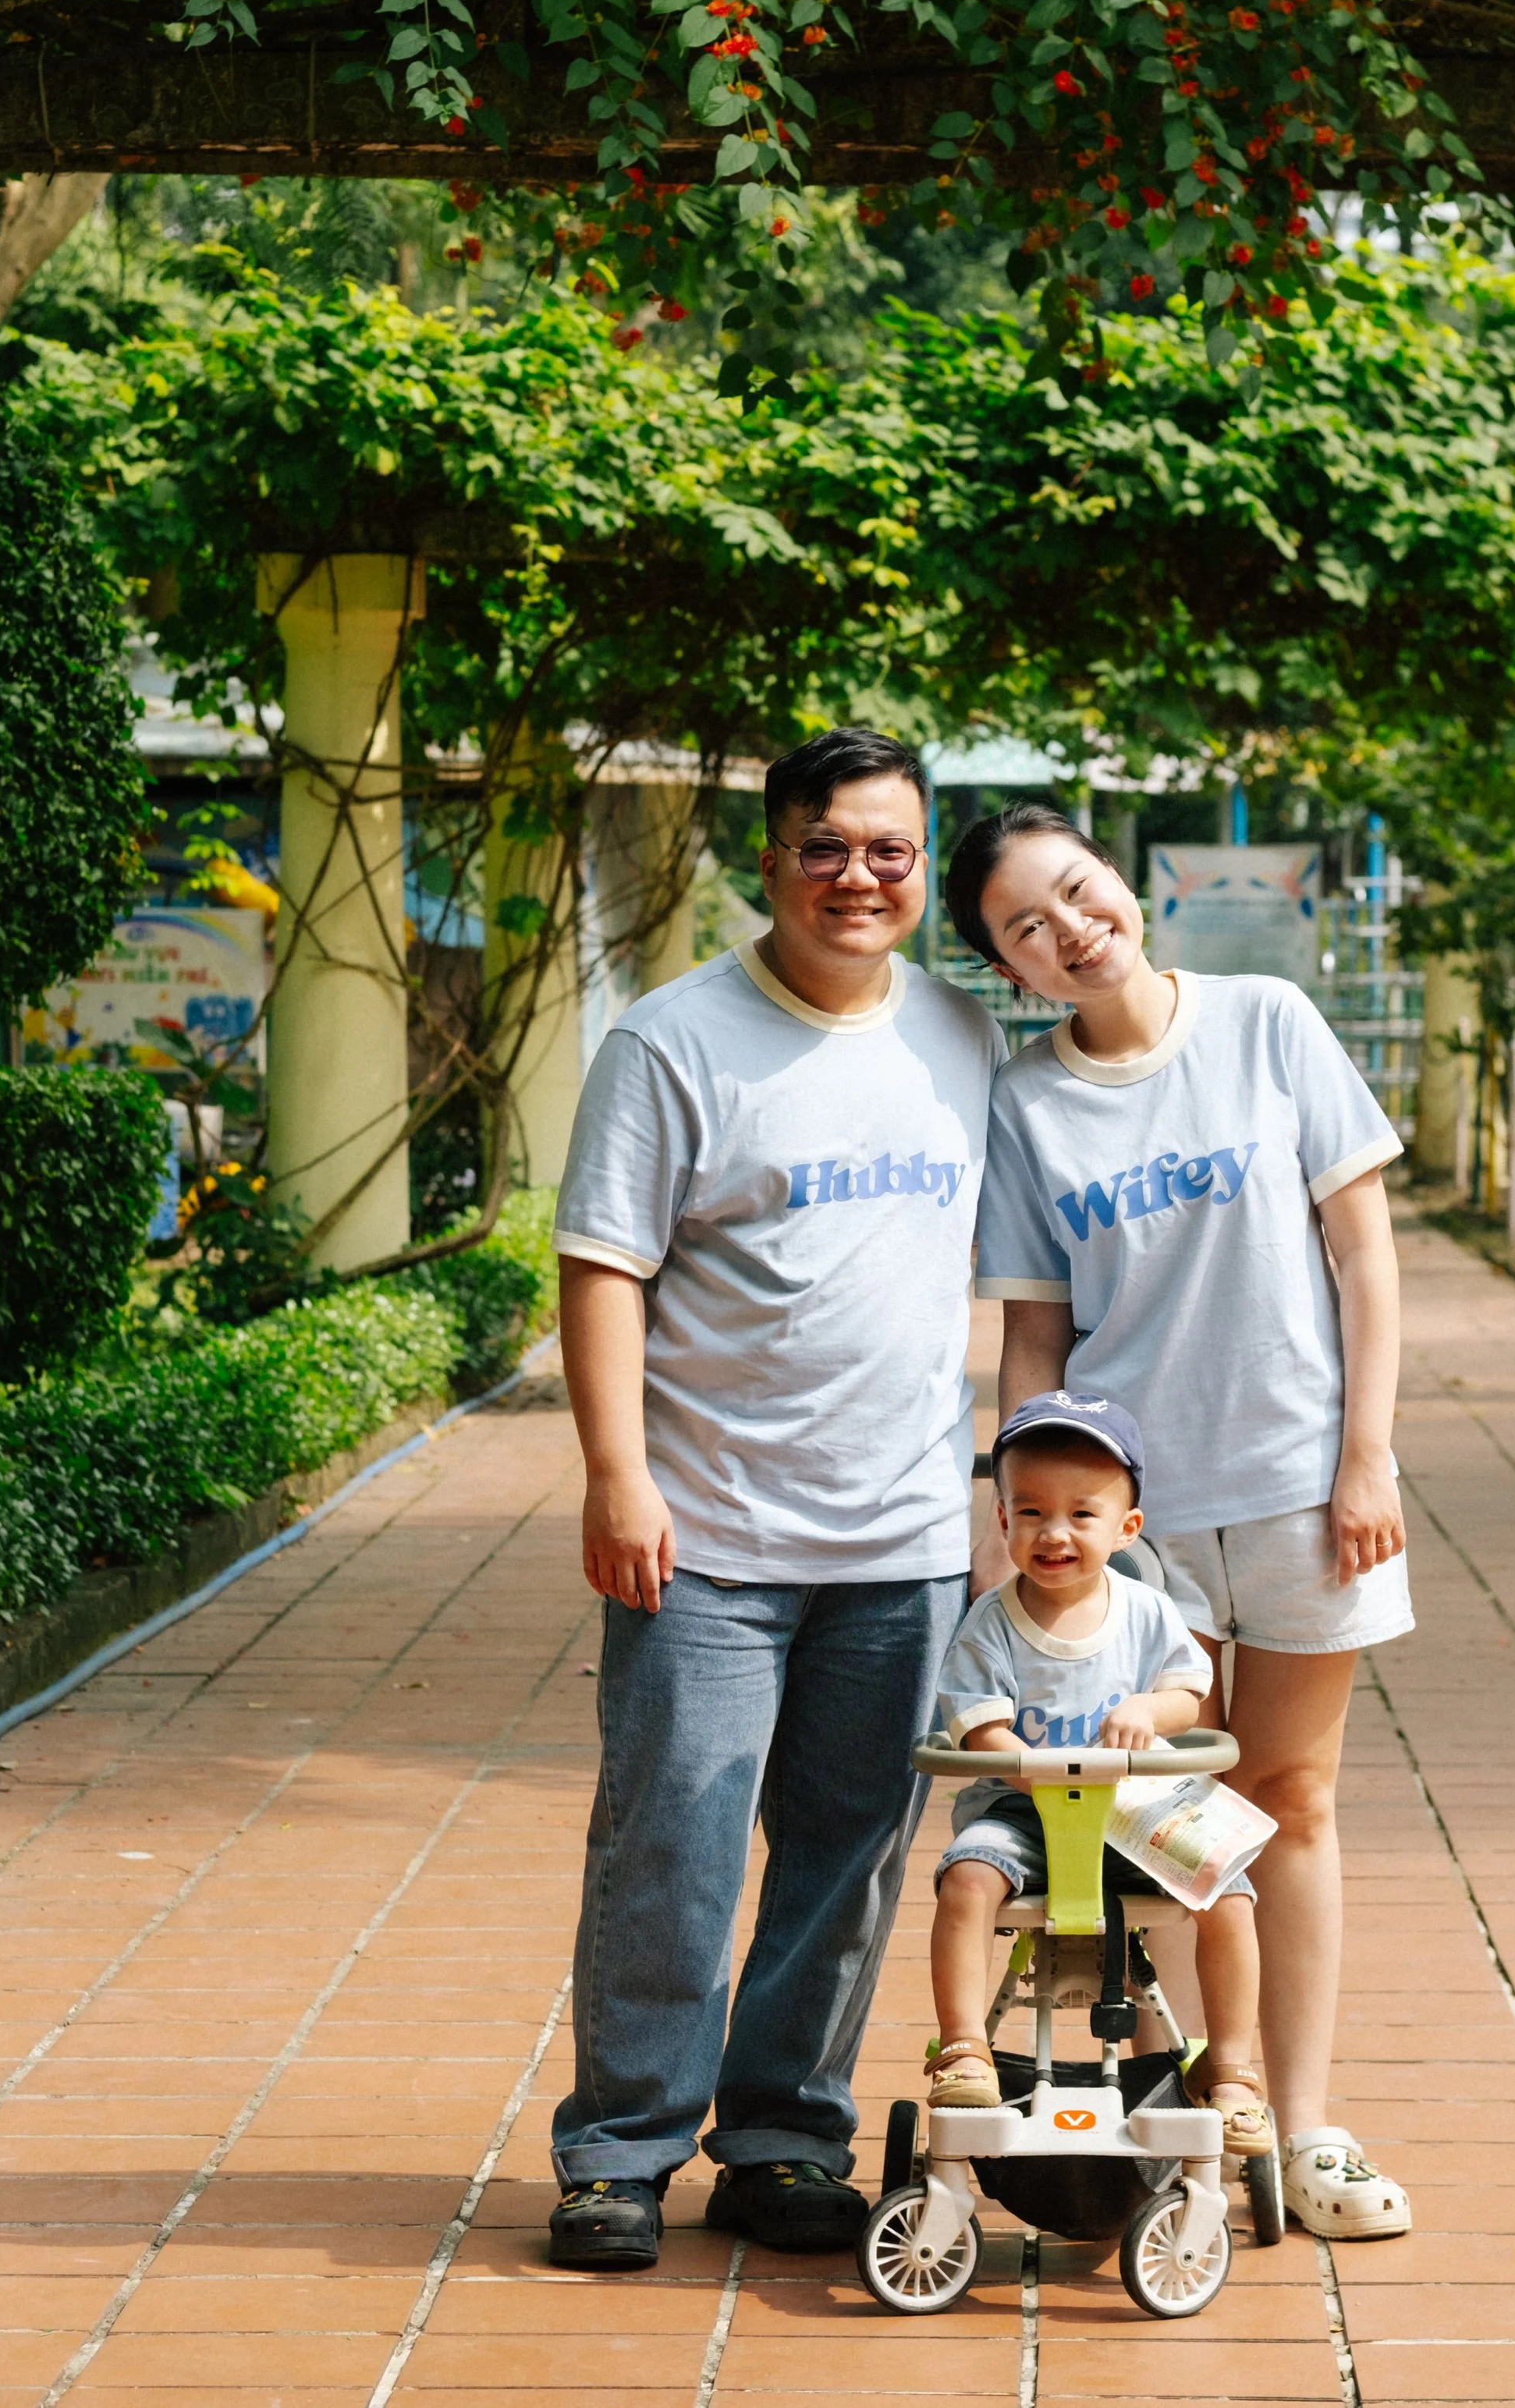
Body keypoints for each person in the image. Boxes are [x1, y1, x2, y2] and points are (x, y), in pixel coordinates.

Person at [546, 729, 1004, 2271]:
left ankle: (783, 2139)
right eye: (827, 846)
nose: (857, 876)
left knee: (848, 1849)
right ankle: (618, 2151)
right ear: (773, 859)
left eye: (888, 850)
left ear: (918, 866)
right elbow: (604, 1265)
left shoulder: (959, 1032)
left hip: (901, 1542)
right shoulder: (673, 1042)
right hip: (709, 1535)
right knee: (668, 1841)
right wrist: (617, 1475)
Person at [949, 801, 1414, 2240]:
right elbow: (1035, 1335)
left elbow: (1363, 1254)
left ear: (1122, 886)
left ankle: (1306, 2125)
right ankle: (1189, 2097)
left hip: (1298, 1486)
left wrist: (1370, 1458)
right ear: (1010, 971)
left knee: (1294, 1803)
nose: (1069, 931)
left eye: (1078, 894)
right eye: (1027, 927)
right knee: (1155, 1816)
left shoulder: (1266, 1021)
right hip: (1132, 1524)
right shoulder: (1027, 1102)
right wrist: (1020, 1529)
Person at [926, 1393, 1272, 2156]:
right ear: (1004, 1522)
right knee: (966, 1880)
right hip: (1025, 1813)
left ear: (1125, 1529)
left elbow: (1189, 1691)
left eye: (1081, 1515)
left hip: (1136, 1806)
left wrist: (1150, 1710)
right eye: (1031, 1512)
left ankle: (1233, 2066)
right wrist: (1009, 1749)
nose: (1055, 1533)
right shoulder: (989, 1622)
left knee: (1230, 1887)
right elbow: (976, 1720)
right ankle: (963, 2050)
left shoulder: (1145, 1611)